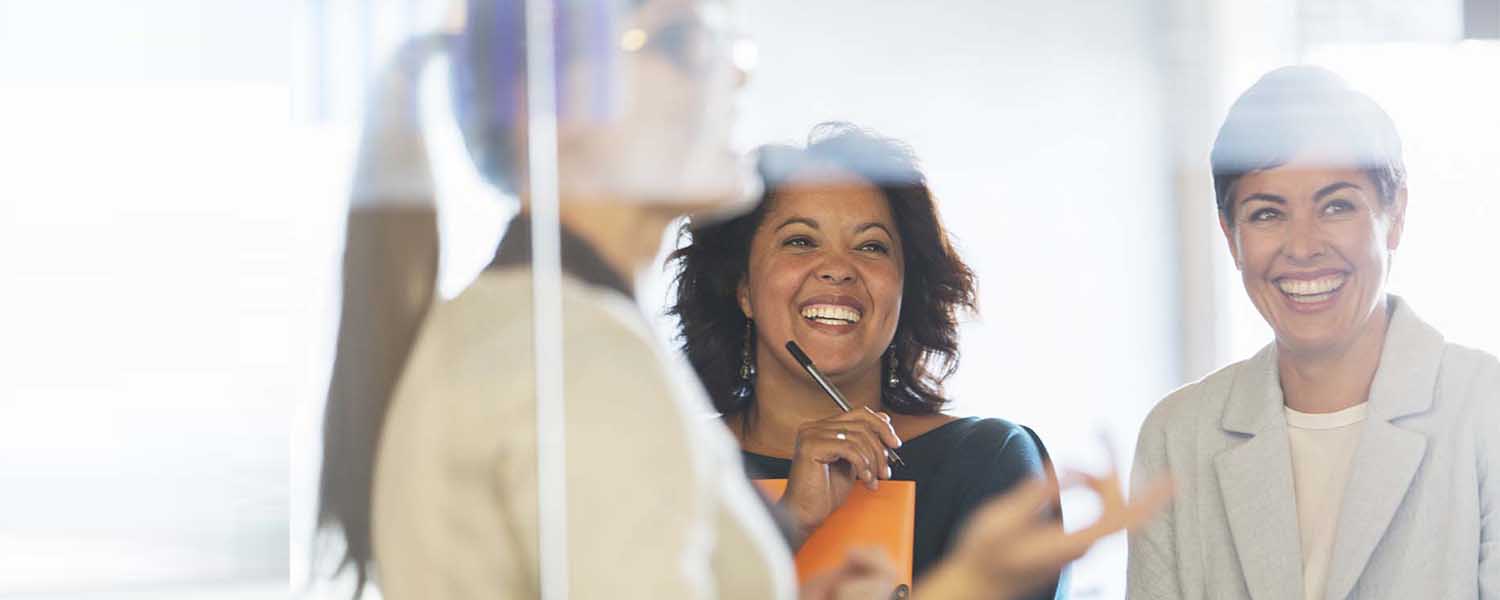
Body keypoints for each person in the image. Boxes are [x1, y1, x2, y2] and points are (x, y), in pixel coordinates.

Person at [1126, 65, 1500, 600]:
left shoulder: (1485, 406)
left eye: (1336, 206)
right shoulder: (1177, 434)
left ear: (1394, 216)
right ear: (1230, 237)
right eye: (1265, 214)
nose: (1302, 247)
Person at [670, 122, 1063, 596]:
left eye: (871, 246)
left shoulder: (987, 461)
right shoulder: (671, 465)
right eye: (800, 240)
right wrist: (788, 522)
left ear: (904, 290)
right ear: (743, 289)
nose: (839, 268)